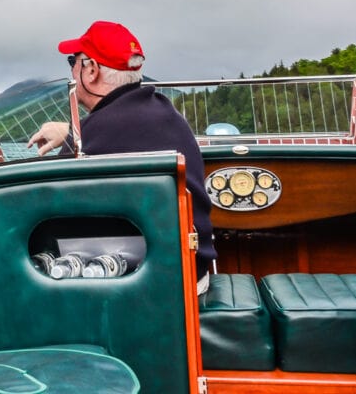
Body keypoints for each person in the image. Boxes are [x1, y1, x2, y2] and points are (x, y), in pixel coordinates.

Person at [27, 20, 216, 294]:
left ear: (90, 71)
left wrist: (72, 137)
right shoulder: (166, 113)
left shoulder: (97, 132)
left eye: (73, 61)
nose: (71, 69)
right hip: (190, 271)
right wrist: (71, 132)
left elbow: (38, 197)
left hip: (157, 284)